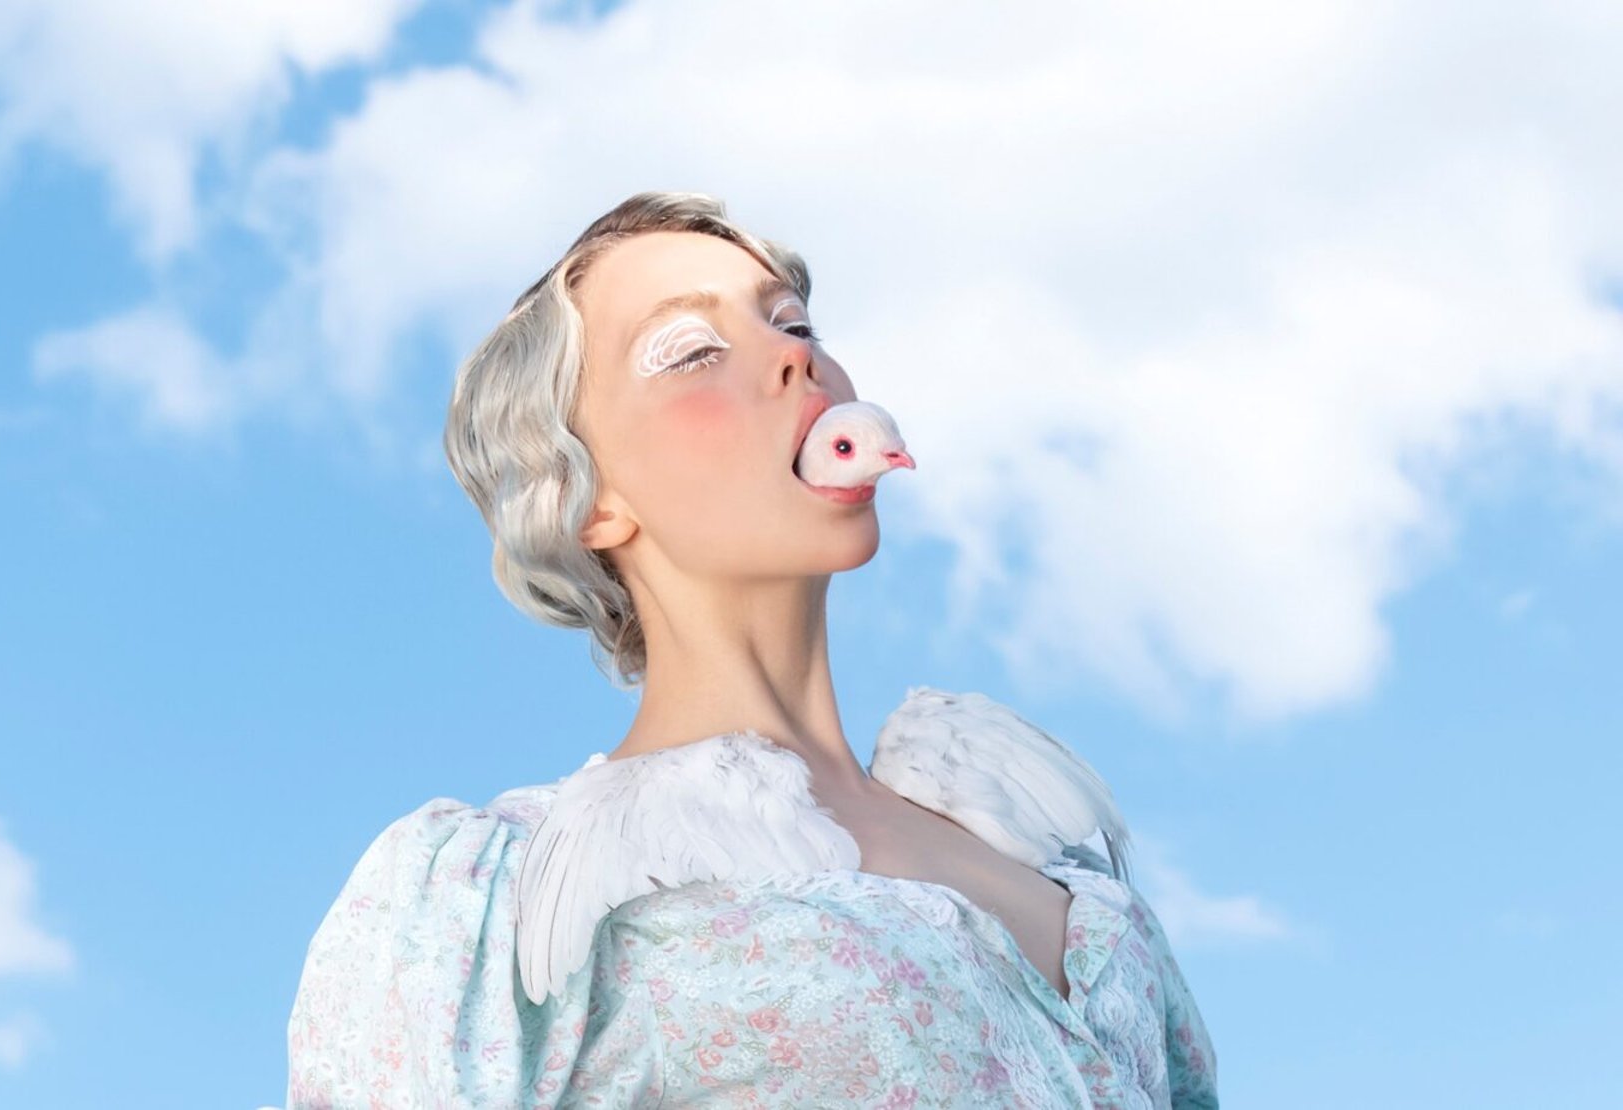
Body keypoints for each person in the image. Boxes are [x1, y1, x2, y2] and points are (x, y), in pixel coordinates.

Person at [284, 191, 1219, 1107]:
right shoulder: (502, 901)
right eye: (691, 351)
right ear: (587, 497)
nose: (793, 357)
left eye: (794, 324)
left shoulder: (1046, 852)